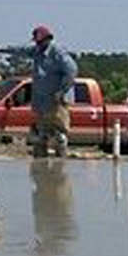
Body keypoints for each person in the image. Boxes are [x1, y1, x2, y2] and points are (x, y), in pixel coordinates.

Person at [28, 24, 77, 158]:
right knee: (41, 135)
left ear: (47, 40)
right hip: (41, 100)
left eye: (39, 42)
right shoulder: (37, 51)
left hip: (56, 100)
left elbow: (71, 71)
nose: (37, 45)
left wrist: (61, 91)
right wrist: (2, 50)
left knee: (59, 136)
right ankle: (42, 170)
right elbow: (21, 50)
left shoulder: (58, 52)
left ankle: (60, 166)